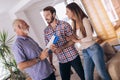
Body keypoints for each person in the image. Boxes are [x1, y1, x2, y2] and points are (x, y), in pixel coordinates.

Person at [66, 2, 111, 80]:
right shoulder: (73, 23)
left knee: (101, 72)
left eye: (67, 11)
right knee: (87, 77)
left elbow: (90, 38)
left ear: (73, 11)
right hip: (85, 51)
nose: (66, 14)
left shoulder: (84, 20)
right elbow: (75, 39)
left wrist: (77, 40)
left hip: (94, 49)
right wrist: (70, 38)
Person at [43, 6, 85, 80]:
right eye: (44, 16)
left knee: (83, 76)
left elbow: (73, 40)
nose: (45, 17)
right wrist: (51, 62)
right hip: (61, 60)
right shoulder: (46, 31)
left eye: (47, 15)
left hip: (73, 56)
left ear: (53, 14)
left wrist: (62, 47)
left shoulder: (64, 24)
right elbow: (48, 48)